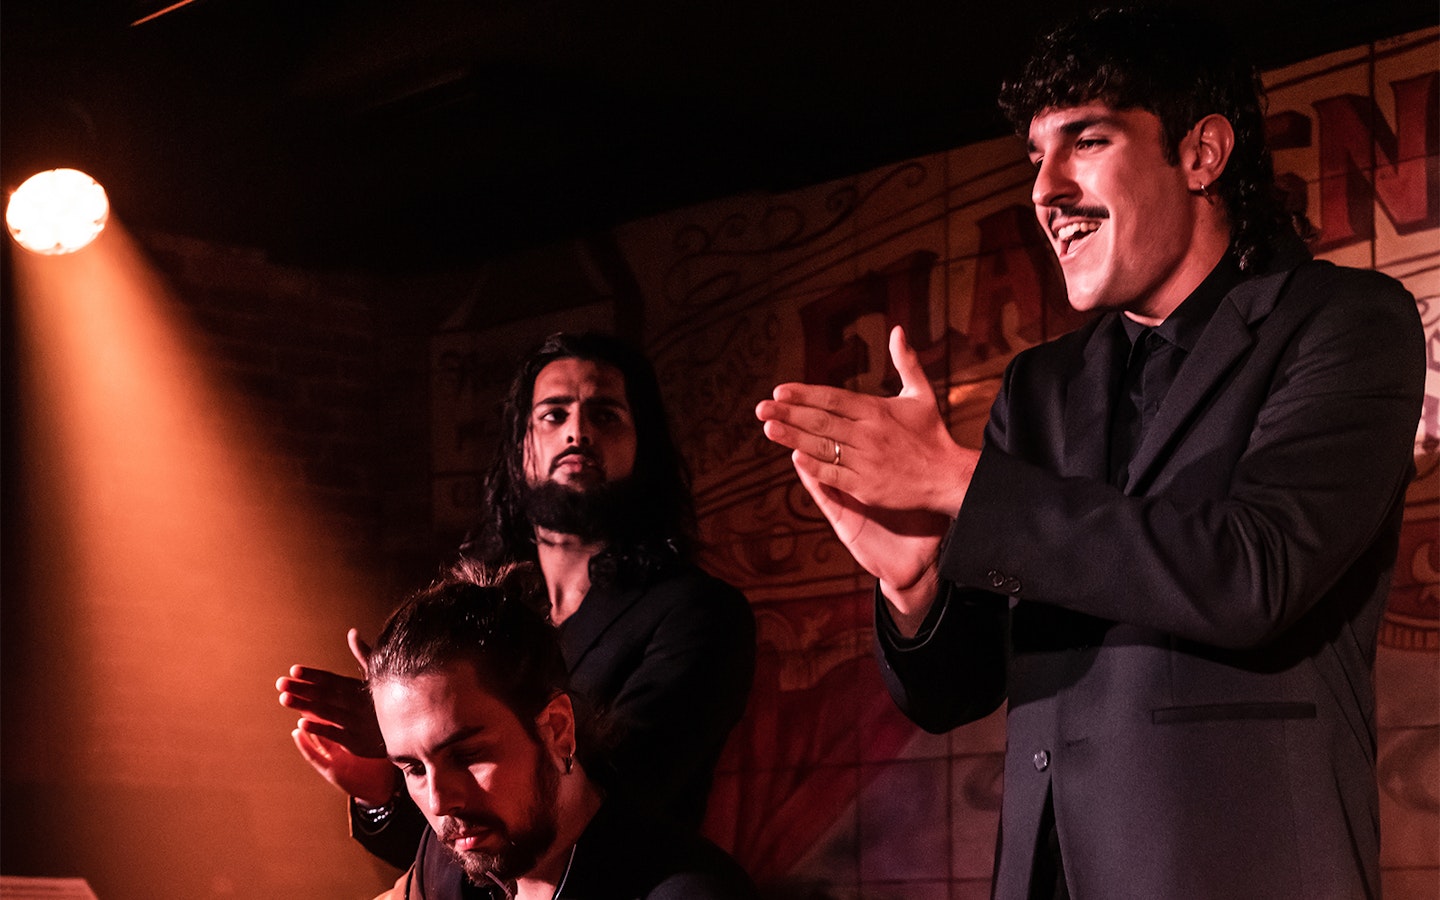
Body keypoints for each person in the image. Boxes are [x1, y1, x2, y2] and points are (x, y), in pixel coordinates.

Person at [755, 8, 1425, 899]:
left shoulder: (1345, 322)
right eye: (1036, 155)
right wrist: (915, 585)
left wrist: (961, 484)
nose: (1045, 190)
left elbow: (1255, 573)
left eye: (1087, 141)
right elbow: (957, 692)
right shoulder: (1041, 386)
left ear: (1201, 154)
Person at [278, 331, 755, 868]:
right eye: (554, 414)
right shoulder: (481, 621)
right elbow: (457, 854)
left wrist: (438, 735)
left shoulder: (701, 613)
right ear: (518, 445)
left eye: (604, 414)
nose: (578, 432)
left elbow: (623, 785)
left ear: (643, 443)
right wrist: (385, 779)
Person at [366, 562, 759, 900]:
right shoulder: (444, 867)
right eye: (414, 768)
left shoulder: (686, 893)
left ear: (557, 729)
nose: (438, 802)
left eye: (467, 755)